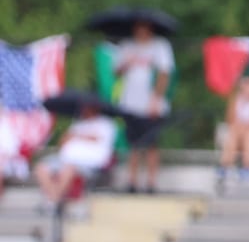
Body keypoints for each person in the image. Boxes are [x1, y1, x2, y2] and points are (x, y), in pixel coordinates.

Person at [114, 19, 174, 194]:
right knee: (133, 143)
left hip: (150, 103)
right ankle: (132, 181)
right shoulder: (127, 46)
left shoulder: (160, 46)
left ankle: (151, 182)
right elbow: (116, 71)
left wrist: (156, 99)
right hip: (130, 102)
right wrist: (127, 62)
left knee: (151, 143)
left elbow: (164, 73)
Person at [33, 103, 117, 206]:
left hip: (88, 162)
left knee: (68, 170)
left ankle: (53, 200)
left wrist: (78, 136)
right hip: (65, 160)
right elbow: (62, 143)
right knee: (41, 167)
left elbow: (99, 140)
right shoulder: (77, 124)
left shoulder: (105, 124)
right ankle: (54, 198)